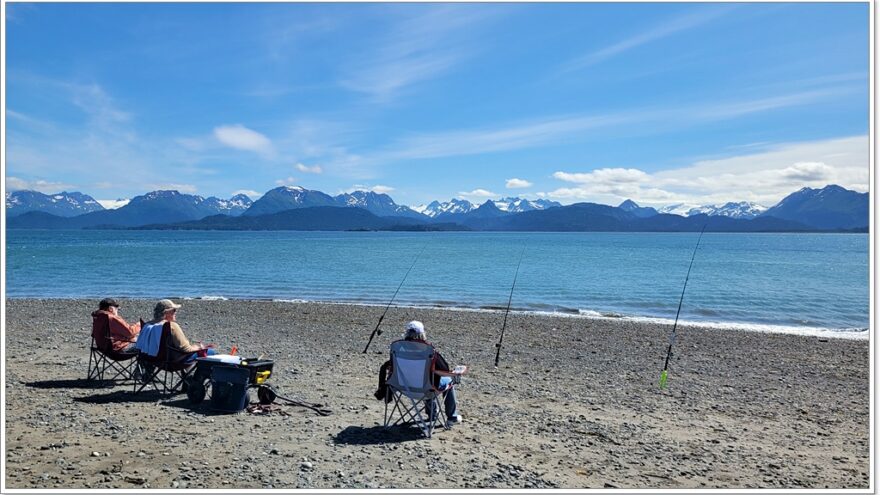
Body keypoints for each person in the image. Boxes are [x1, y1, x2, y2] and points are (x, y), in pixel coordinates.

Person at [375, 320, 463, 425]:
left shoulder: (398, 351)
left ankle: (432, 415)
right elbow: (445, 369)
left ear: (407, 333)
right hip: (425, 390)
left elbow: (391, 367)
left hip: (404, 388)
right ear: (422, 334)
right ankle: (451, 417)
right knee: (445, 379)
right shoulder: (429, 351)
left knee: (426, 378)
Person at [136, 299, 214, 362]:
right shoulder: (171, 326)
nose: (175, 312)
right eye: (174, 310)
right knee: (211, 352)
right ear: (167, 312)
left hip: (153, 360)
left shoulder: (147, 325)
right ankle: (196, 379)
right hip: (173, 361)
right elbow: (186, 349)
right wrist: (199, 347)